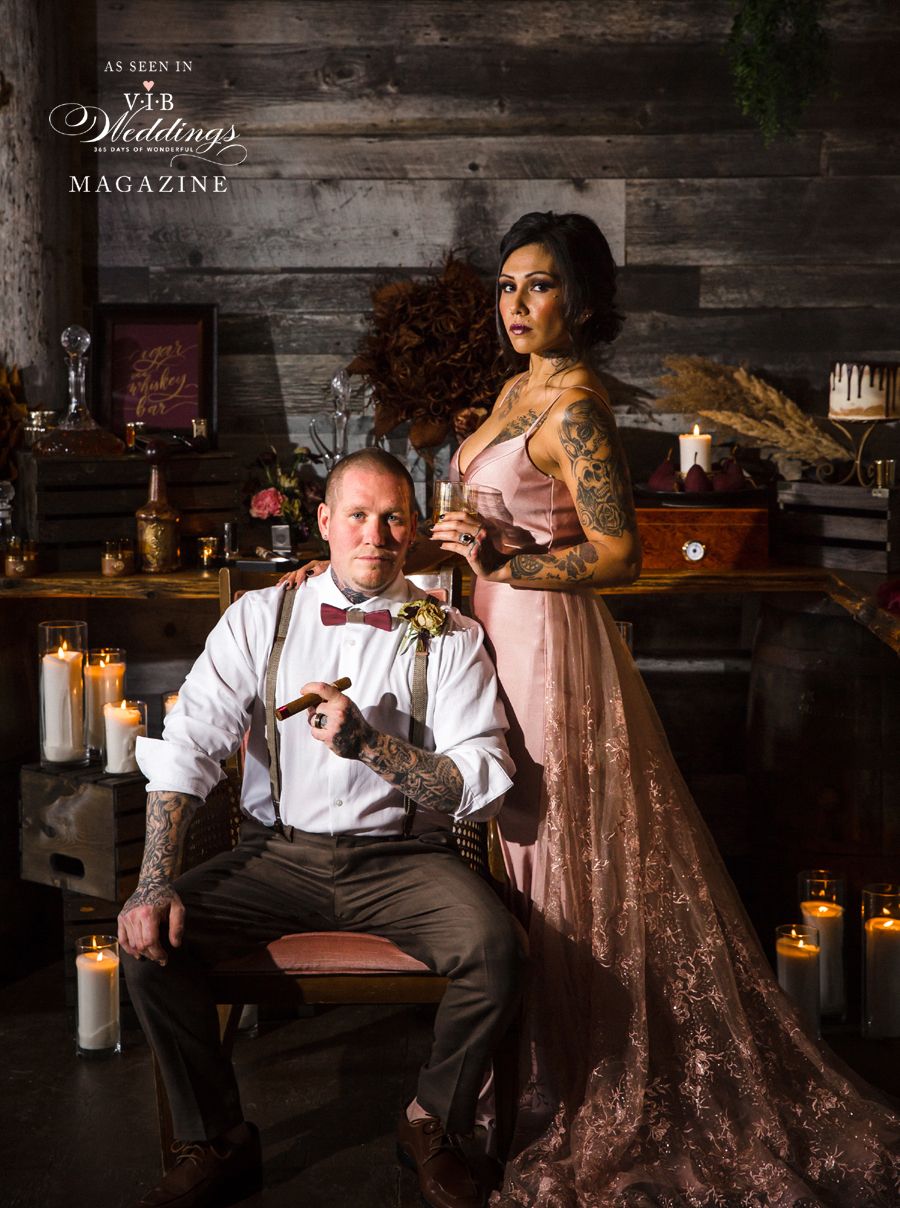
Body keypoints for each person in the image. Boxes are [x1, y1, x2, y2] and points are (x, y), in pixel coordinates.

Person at [289, 213, 900, 1203]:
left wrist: (506, 560)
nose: (516, 305)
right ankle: (520, 1064)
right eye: (505, 287)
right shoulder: (508, 391)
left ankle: (577, 1077)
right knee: (512, 853)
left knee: (553, 846)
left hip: (546, 643)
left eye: (537, 287)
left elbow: (621, 552)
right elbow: (499, 521)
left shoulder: (575, 402)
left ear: (579, 299)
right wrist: (452, 549)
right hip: (493, 628)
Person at [119, 448, 526, 1208]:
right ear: (325, 524)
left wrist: (371, 746)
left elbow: (480, 780)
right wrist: (151, 883)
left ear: (413, 529)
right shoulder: (260, 617)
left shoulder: (449, 633)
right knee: (148, 947)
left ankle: (432, 1122)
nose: (376, 534)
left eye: (394, 517)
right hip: (278, 858)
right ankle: (218, 1139)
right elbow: (189, 749)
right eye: (359, 516)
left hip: (406, 860)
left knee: (495, 949)